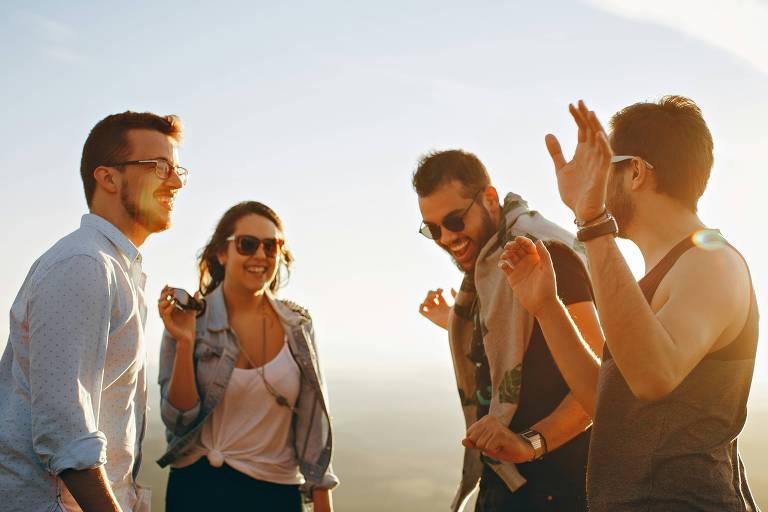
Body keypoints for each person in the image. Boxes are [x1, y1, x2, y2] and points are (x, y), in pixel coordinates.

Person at [496, 97, 760, 510]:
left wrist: (591, 221)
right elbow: (610, 403)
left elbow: (653, 376)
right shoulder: (658, 278)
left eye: (605, 169)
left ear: (635, 171)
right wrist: (547, 307)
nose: (594, 183)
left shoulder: (712, 262)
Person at [0, 111, 186, 511]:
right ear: (108, 177)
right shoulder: (84, 264)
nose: (175, 181)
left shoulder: (116, 268)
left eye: (176, 169)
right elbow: (67, 436)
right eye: (159, 167)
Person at [413, 150, 603, 511]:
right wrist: (455, 322)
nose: (446, 238)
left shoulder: (545, 256)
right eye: (433, 229)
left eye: (454, 220)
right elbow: (520, 347)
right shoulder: (488, 270)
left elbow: (599, 383)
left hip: (557, 489)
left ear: (489, 199)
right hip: (505, 484)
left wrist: (532, 443)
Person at [156, 201, 338, 512]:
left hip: (275, 495)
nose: (260, 256)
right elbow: (178, 420)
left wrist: (323, 504)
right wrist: (185, 343)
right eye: (247, 244)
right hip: (196, 492)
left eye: (271, 246)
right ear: (221, 253)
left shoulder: (298, 326)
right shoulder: (189, 319)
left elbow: (313, 428)